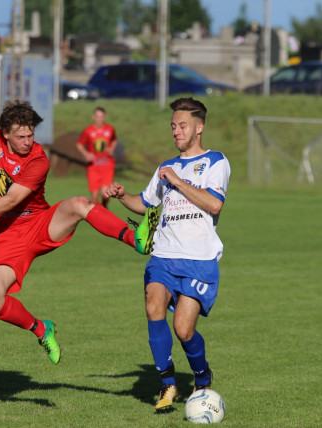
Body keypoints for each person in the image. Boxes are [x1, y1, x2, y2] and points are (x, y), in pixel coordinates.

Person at [0, 71, 158, 366]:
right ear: (5, 133)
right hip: (5, 235)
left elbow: (12, 199)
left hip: (39, 221)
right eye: (21, 136)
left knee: (80, 204)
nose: (28, 141)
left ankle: (134, 238)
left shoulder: (38, 159)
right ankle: (41, 328)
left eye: (31, 134)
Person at [104, 97, 231, 411]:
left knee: (184, 330)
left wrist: (177, 181)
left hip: (199, 260)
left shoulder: (216, 161)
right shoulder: (165, 167)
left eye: (182, 125)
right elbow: (145, 204)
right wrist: (123, 197)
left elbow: (214, 205)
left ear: (199, 128)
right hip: (163, 255)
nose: (176, 131)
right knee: (153, 304)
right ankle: (168, 384)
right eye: (173, 125)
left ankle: (202, 377)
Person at [76, 107, 118, 207]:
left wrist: (111, 148)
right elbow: (79, 144)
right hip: (93, 167)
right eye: (97, 116)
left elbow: (114, 140)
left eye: (101, 116)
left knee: (105, 194)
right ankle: (99, 216)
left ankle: (104, 205)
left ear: (104, 117)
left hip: (107, 165)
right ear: (93, 117)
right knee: (94, 197)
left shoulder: (110, 129)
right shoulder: (88, 131)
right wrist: (86, 154)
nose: (99, 119)